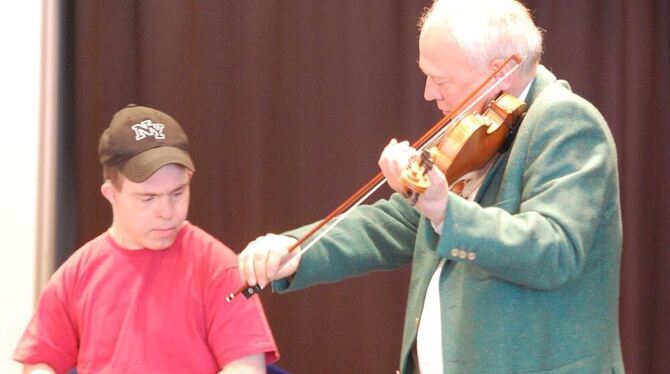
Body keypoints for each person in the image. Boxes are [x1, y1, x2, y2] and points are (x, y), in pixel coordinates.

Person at [238, 0, 624, 373]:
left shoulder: (565, 121)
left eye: (440, 80)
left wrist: (444, 210)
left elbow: (555, 249)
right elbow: (398, 223)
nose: (428, 93)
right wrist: (297, 250)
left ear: (499, 72)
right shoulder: (480, 123)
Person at [14, 105, 279, 373]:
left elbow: (246, 367)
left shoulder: (218, 267)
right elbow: (39, 362)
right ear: (111, 194)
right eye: (148, 198)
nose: (167, 212)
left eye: (177, 193)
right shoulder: (77, 274)